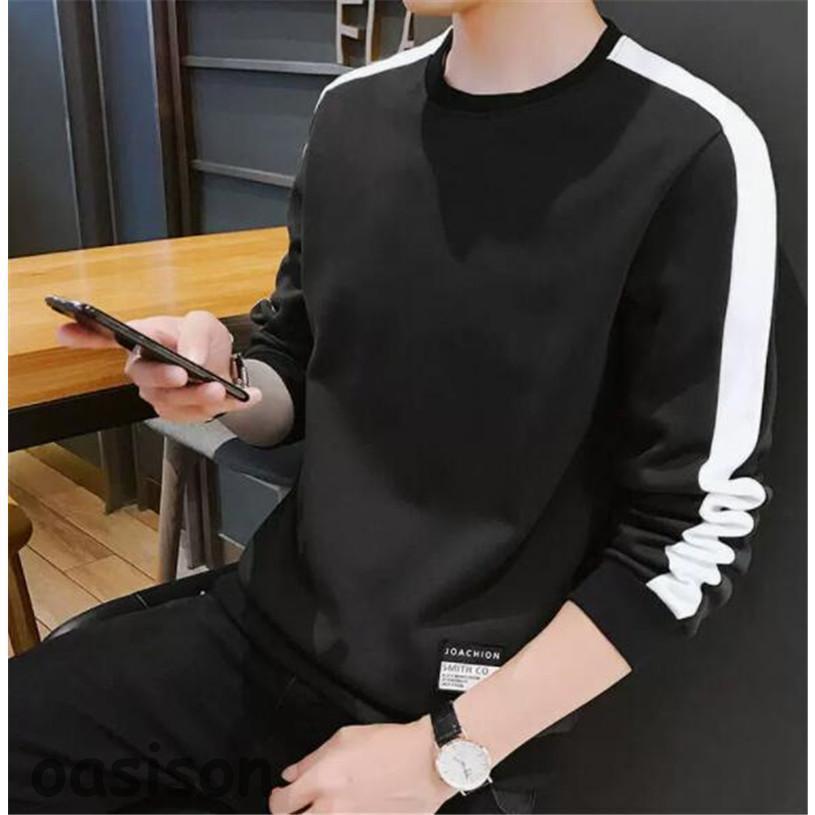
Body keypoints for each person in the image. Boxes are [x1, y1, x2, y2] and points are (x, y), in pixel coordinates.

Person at [9, 1, 778, 812]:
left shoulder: (689, 148)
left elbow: (693, 535)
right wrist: (223, 384)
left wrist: (443, 754)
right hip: (265, 627)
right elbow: (294, 363)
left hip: (462, 711)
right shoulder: (352, 111)